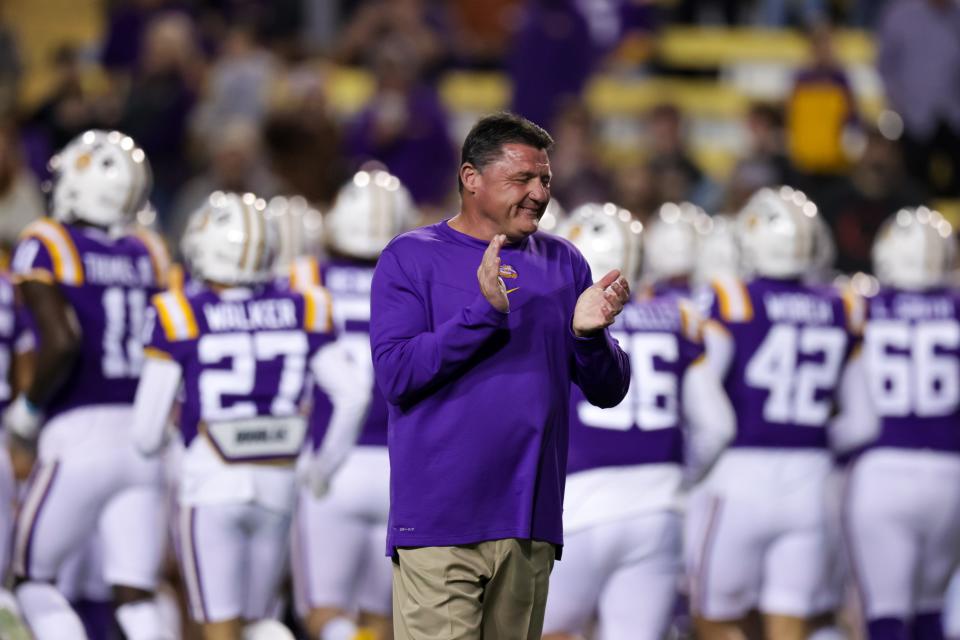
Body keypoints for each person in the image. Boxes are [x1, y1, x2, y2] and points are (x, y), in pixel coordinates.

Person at [369, 112, 632, 639]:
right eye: (522, 179)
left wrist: (589, 337)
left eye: (546, 181)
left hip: (528, 523)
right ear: (471, 178)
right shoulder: (410, 258)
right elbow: (397, 375)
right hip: (441, 524)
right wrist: (482, 315)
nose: (539, 193)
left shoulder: (564, 262)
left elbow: (608, 391)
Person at [131, 191, 369, 640]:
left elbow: (145, 434)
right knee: (260, 623)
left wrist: (174, 450)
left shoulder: (181, 311)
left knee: (220, 628)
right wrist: (321, 468)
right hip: (278, 483)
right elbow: (354, 393)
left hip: (210, 482)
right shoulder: (306, 305)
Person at [6, 130, 172, 640]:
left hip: (78, 431)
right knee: (136, 597)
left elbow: (61, 342)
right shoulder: (151, 250)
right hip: (146, 437)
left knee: (32, 580)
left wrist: (27, 412)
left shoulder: (47, 242)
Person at [543, 203, 732, 640]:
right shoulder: (680, 316)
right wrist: (676, 480)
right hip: (658, 509)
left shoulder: (554, 316)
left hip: (577, 506)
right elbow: (717, 426)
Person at [686, 186, 864, 640]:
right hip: (812, 479)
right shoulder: (841, 303)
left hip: (740, 474)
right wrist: (815, 439)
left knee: (712, 617)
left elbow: (706, 393)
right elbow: (862, 421)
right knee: (790, 623)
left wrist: (694, 462)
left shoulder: (732, 299)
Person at [289, 170, 418, 640]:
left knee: (323, 612)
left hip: (331, 459)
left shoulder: (306, 277)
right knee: (379, 617)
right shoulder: (420, 280)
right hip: (400, 468)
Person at [844, 207, 960, 639]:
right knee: (931, 611)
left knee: (887, 614)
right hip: (950, 473)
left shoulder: (859, 304)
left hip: (883, 470)